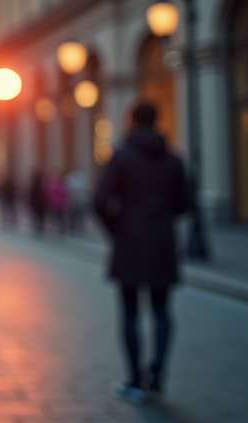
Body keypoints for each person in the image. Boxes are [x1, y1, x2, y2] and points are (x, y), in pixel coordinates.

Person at [93, 103, 189, 404]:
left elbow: (99, 200)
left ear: (132, 122)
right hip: (162, 240)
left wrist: (117, 229)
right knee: (162, 311)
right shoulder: (173, 160)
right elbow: (184, 204)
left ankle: (134, 380)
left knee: (130, 312)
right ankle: (157, 374)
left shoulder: (121, 157)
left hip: (130, 240)